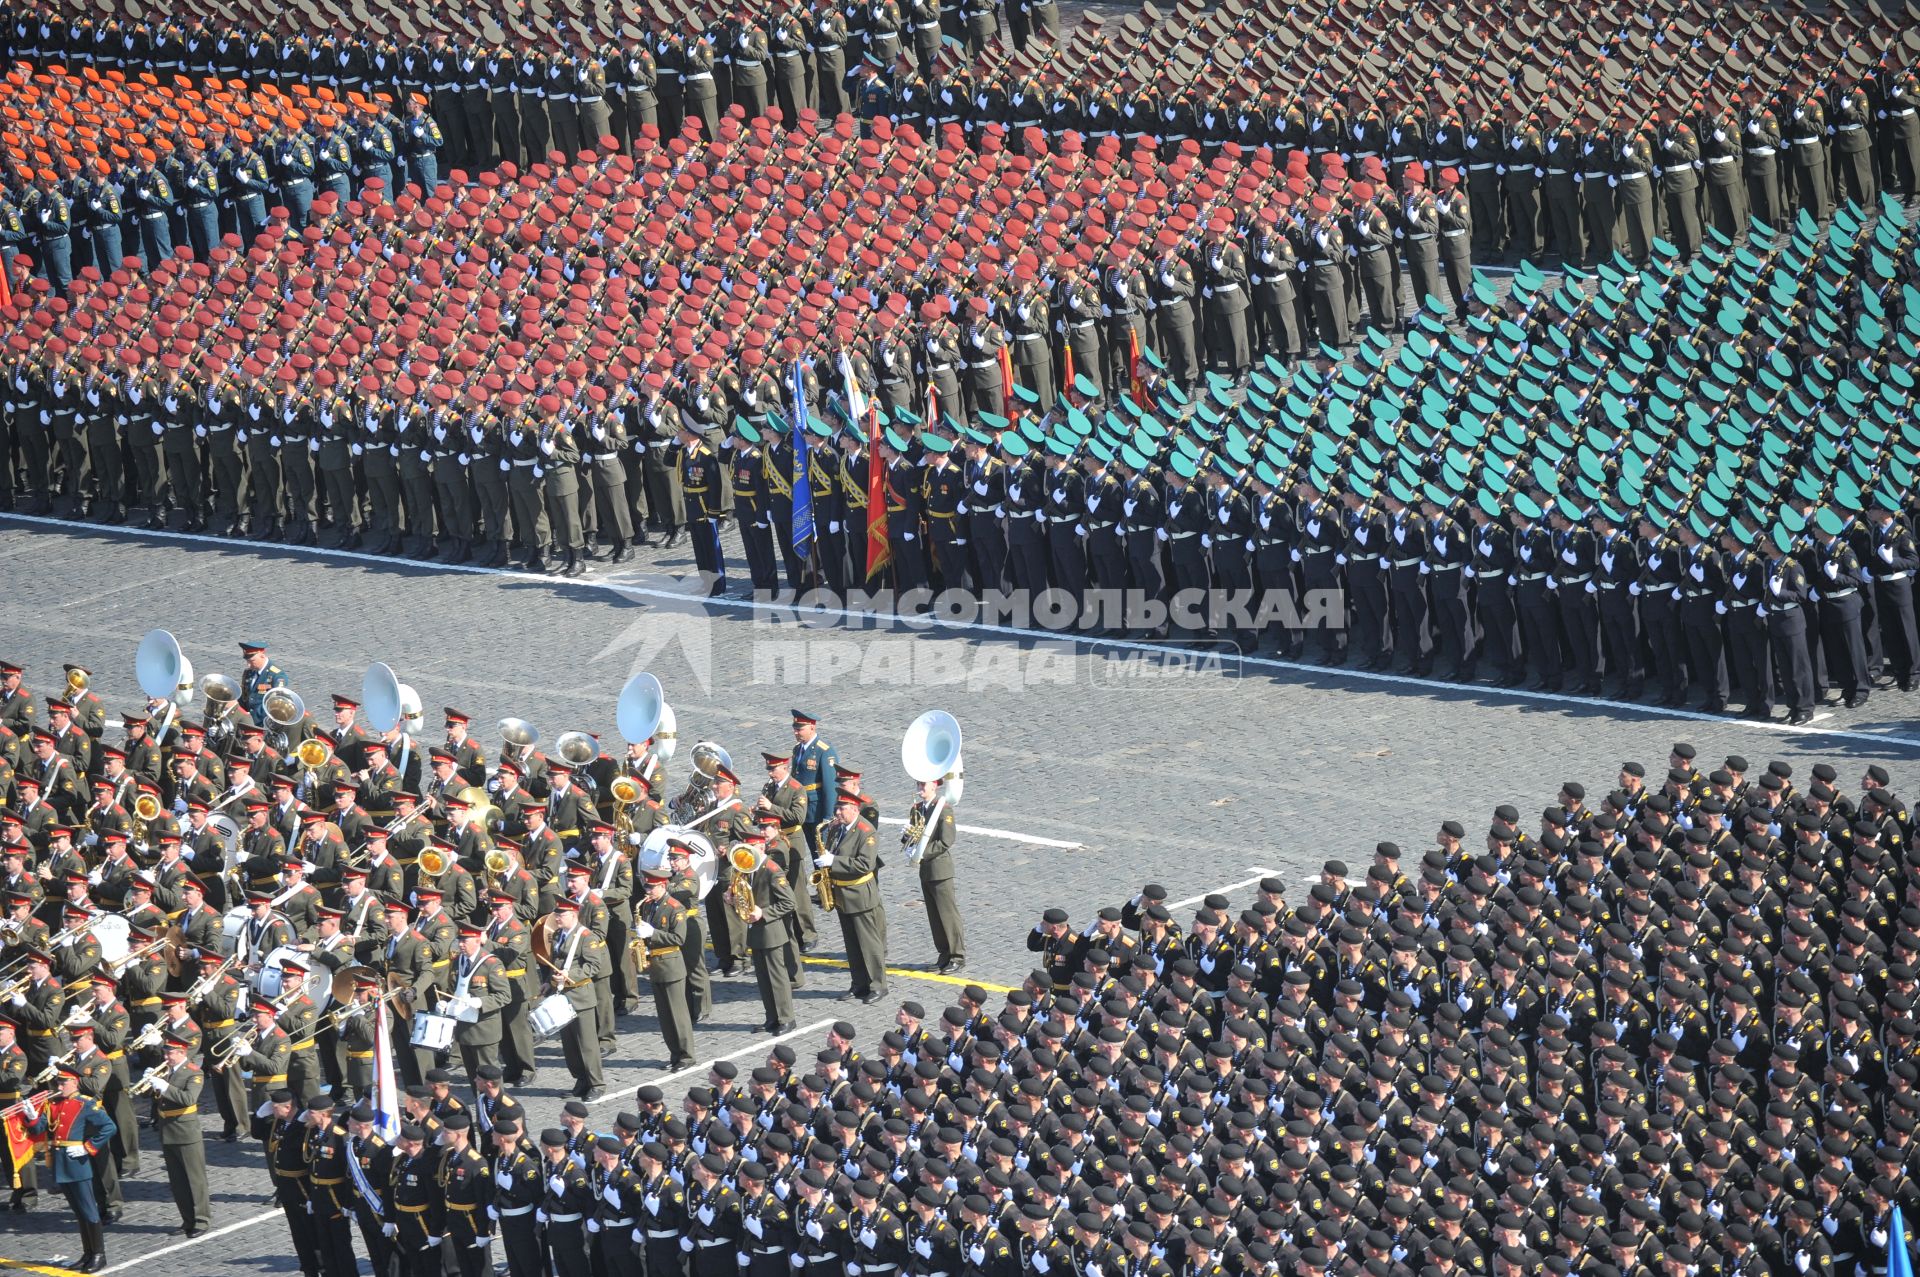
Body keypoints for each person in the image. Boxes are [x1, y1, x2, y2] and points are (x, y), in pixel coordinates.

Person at [23, 1060, 115, 1271]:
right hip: (60, 1163)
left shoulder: (85, 1104)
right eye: (58, 1082)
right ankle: (87, 1253)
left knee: (90, 1211)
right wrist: (30, 1116)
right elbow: (39, 1129)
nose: (59, 1086)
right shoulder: (53, 1103)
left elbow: (109, 1127)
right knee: (79, 1212)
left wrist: (88, 1147)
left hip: (77, 1162)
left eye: (63, 1083)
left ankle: (99, 1255)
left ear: (74, 1082)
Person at [815, 787, 888, 1005]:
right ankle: (858, 984)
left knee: (869, 944)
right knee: (852, 944)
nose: (837, 812)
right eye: (837, 808)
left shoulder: (866, 831)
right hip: (842, 895)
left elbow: (865, 864)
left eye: (842, 808)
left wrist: (833, 862)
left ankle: (877, 985)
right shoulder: (838, 828)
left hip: (860, 895)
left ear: (855, 809)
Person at [542, 896, 607, 1099]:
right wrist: (547, 981)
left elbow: (594, 965)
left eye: (561, 914)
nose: (557, 918)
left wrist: (571, 975)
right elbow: (554, 960)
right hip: (562, 995)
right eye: (557, 914)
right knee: (569, 1045)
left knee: (587, 1043)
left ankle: (596, 1083)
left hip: (580, 995)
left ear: (573, 914)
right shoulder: (559, 934)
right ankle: (580, 1079)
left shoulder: (587, 937)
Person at [903, 778, 964, 973]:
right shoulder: (917, 808)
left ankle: (957, 955)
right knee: (934, 916)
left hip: (940, 869)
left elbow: (946, 841)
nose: (920, 788)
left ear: (934, 786)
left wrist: (921, 853)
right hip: (926, 870)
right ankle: (944, 954)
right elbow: (914, 835)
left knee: (947, 914)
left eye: (923, 785)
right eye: (918, 785)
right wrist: (906, 838)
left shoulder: (943, 809)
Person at [742, 840, 798, 1034]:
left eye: (751, 850)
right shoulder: (747, 867)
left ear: (761, 848)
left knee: (777, 978)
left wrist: (763, 913)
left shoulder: (773, 870)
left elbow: (789, 902)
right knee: (763, 978)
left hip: (771, 931)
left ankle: (786, 1018)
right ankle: (771, 1017)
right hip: (756, 931)